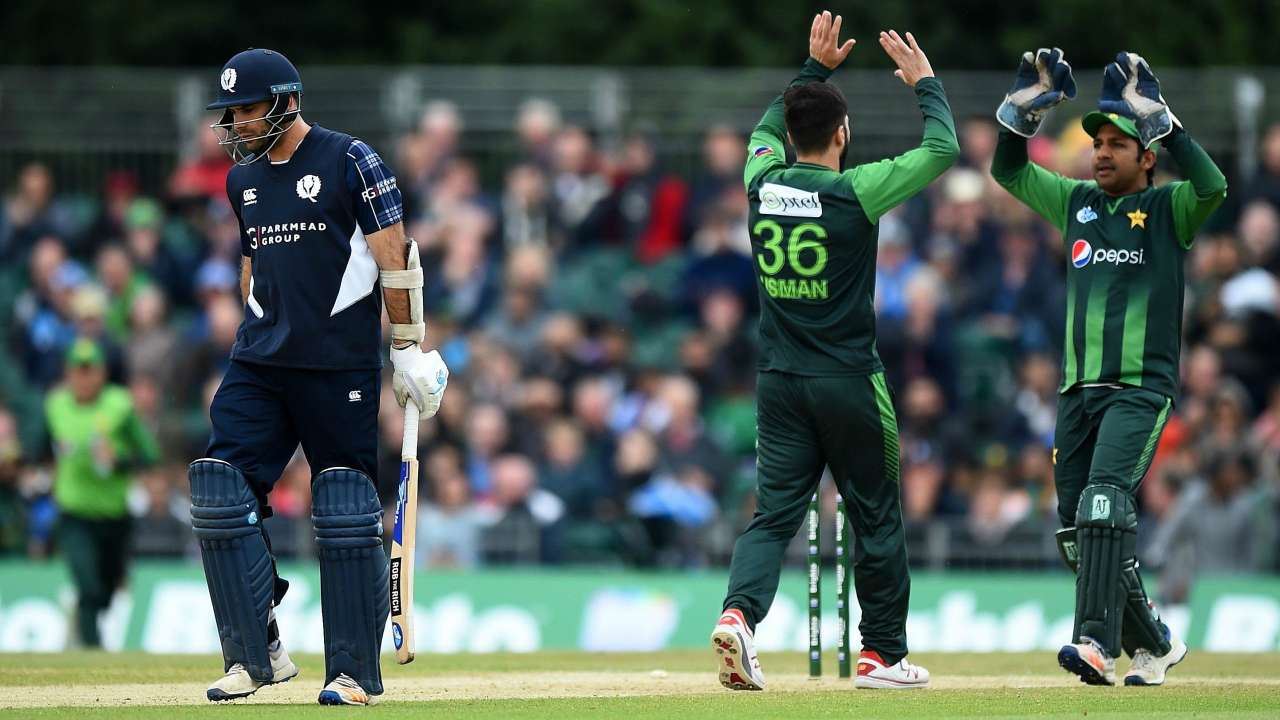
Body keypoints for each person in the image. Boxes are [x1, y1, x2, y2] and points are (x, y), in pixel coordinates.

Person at [193, 48, 449, 705]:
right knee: (221, 492)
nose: (236, 123)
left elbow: (396, 255)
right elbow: (252, 262)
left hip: (337, 363)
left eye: (246, 109)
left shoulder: (351, 160)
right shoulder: (240, 182)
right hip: (259, 360)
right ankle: (256, 655)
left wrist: (408, 347)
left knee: (344, 503)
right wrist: (252, 323)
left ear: (284, 101)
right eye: (230, 112)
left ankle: (354, 672)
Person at [711, 12, 957, 691]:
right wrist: (926, 83)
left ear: (791, 137)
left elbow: (766, 128)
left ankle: (738, 615)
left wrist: (812, 71)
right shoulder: (858, 190)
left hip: (779, 380)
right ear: (842, 134)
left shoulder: (761, 181)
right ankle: (881, 655)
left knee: (774, 515)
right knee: (874, 511)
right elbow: (942, 149)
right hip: (849, 378)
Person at [990, 48, 1227, 686]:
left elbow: (1215, 187)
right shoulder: (1076, 203)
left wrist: (1168, 124)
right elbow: (1008, 173)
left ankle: (1093, 642)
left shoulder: (1173, 209)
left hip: (1139, 389)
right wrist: (1018, 116)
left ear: (1145, 155)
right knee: (1075, 532)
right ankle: (1153, 643)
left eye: (1116, 143)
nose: (1100, 151)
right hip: (1076, 392)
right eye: (1096, 142)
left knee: (1103, 500)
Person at [45, 337, 158, 647]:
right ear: (67, 373)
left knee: (107, 590)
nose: (84, 378)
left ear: (102, 373)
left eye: (89, 370)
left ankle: (87, 633)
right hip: (74, 513)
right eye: (77, 371)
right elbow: (42, 447)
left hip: (114, 515)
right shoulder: (56, 405)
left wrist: (119, 460)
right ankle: (92, 653)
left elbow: (148, 454)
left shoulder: (119, 405)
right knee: (88, 589)